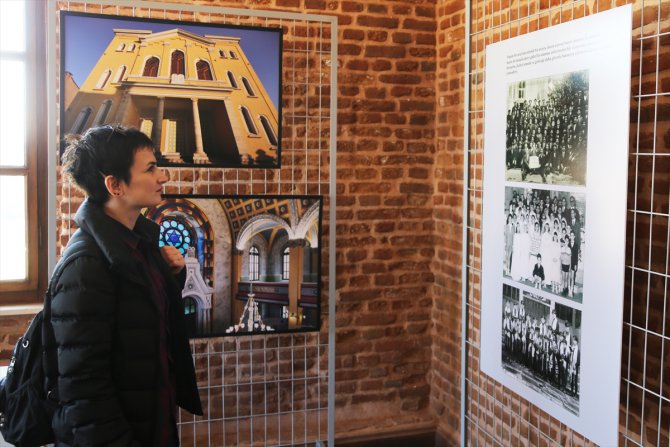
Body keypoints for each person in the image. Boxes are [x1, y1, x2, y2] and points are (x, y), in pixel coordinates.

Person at [52, 125, 202, 446]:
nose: (163, 177)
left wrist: (170, 275)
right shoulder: (86, 265)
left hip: (151, 421)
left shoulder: (139, 244)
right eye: (151, 169)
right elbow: (84, 389)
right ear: (115, 185)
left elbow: (140, 324)